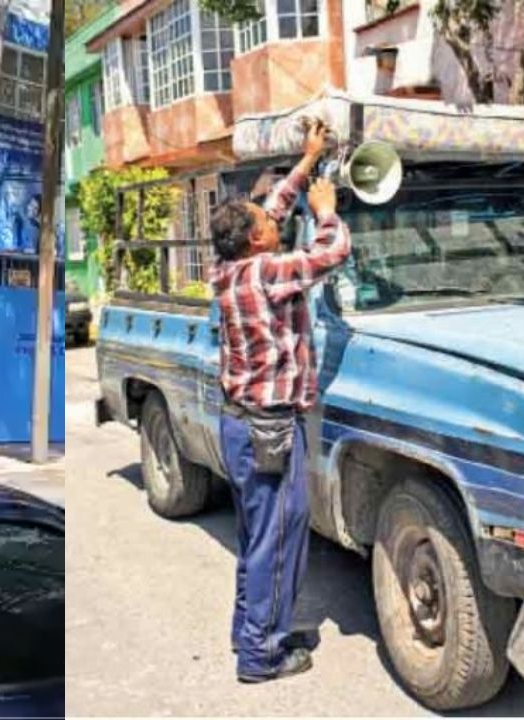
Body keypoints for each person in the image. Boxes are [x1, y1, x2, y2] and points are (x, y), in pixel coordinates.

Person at [208, 120, 352, 684]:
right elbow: (332, 251)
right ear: (258, 240)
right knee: (281, 534)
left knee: (256, 535)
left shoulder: (227, 268)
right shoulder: (269, 271)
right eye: (268, 223)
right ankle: (263, 654)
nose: (275, 219)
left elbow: (271, 206)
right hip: (270, 428)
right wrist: (326, 210)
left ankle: (248, 630)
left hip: (239, 425)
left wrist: (308, 160)